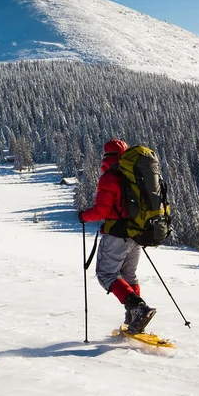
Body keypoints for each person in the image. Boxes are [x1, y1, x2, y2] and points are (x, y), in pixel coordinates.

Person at [78, 139, 156, 333]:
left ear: (106, 156)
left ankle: (138, 309)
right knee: (129, 275)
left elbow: (101, 211)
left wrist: (83, 216)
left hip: (117, 234)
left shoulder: (110, 177)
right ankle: (134, 320)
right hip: (137, 234)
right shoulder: (135, 176)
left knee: (107, 274)